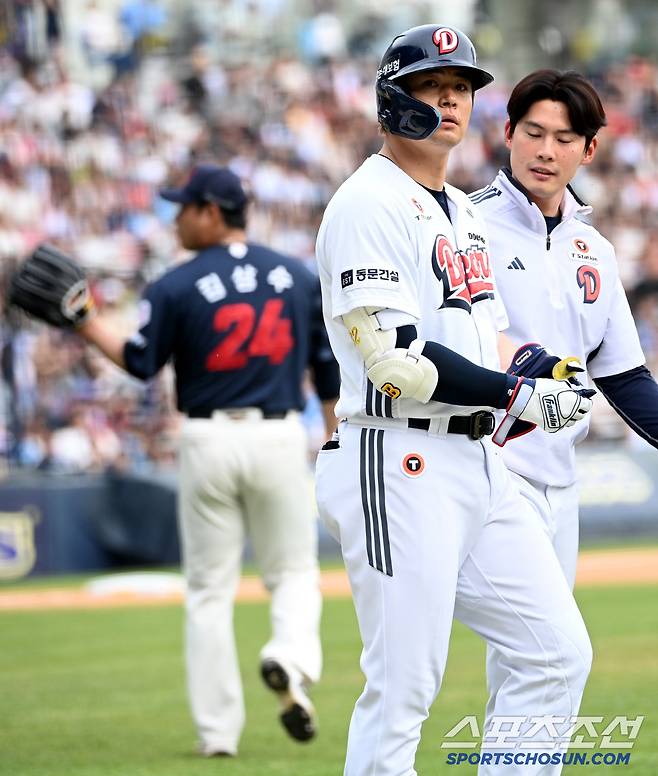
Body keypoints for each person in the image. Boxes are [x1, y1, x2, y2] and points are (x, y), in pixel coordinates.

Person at [315, 25, 596, 776]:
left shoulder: (461, 210)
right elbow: (396, 364)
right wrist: (522, 397)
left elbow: (488, 336)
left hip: (475, 459)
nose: (450, 99)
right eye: (430, 84)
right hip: (397, 454)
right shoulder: (366, 202)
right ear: (390, 98)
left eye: (462, 87)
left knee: (554, 652)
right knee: (404, 687)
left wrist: (548, 370)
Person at [76, 163, 340, 756]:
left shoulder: (174, 284)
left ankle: (218, 734)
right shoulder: (295, 275)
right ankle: (288, 656)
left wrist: (86, 321)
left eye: (184, 208)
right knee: (294, 574)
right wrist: (333, 437)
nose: (175, 220)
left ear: (212, 212)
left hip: (208, 439)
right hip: (277, 437)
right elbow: (326, 364)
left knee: (208, 592)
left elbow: (142, 361)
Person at [470, 67, 658, 734]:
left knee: (533, 670)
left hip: (561, 481)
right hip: (489, 473)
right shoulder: (466, 225)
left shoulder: (594, 249)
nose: (546, 151)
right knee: (552, 655)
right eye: (533, 133)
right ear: (508, 134)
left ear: (590, 150)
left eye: (564, 138)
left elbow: (625, 380)